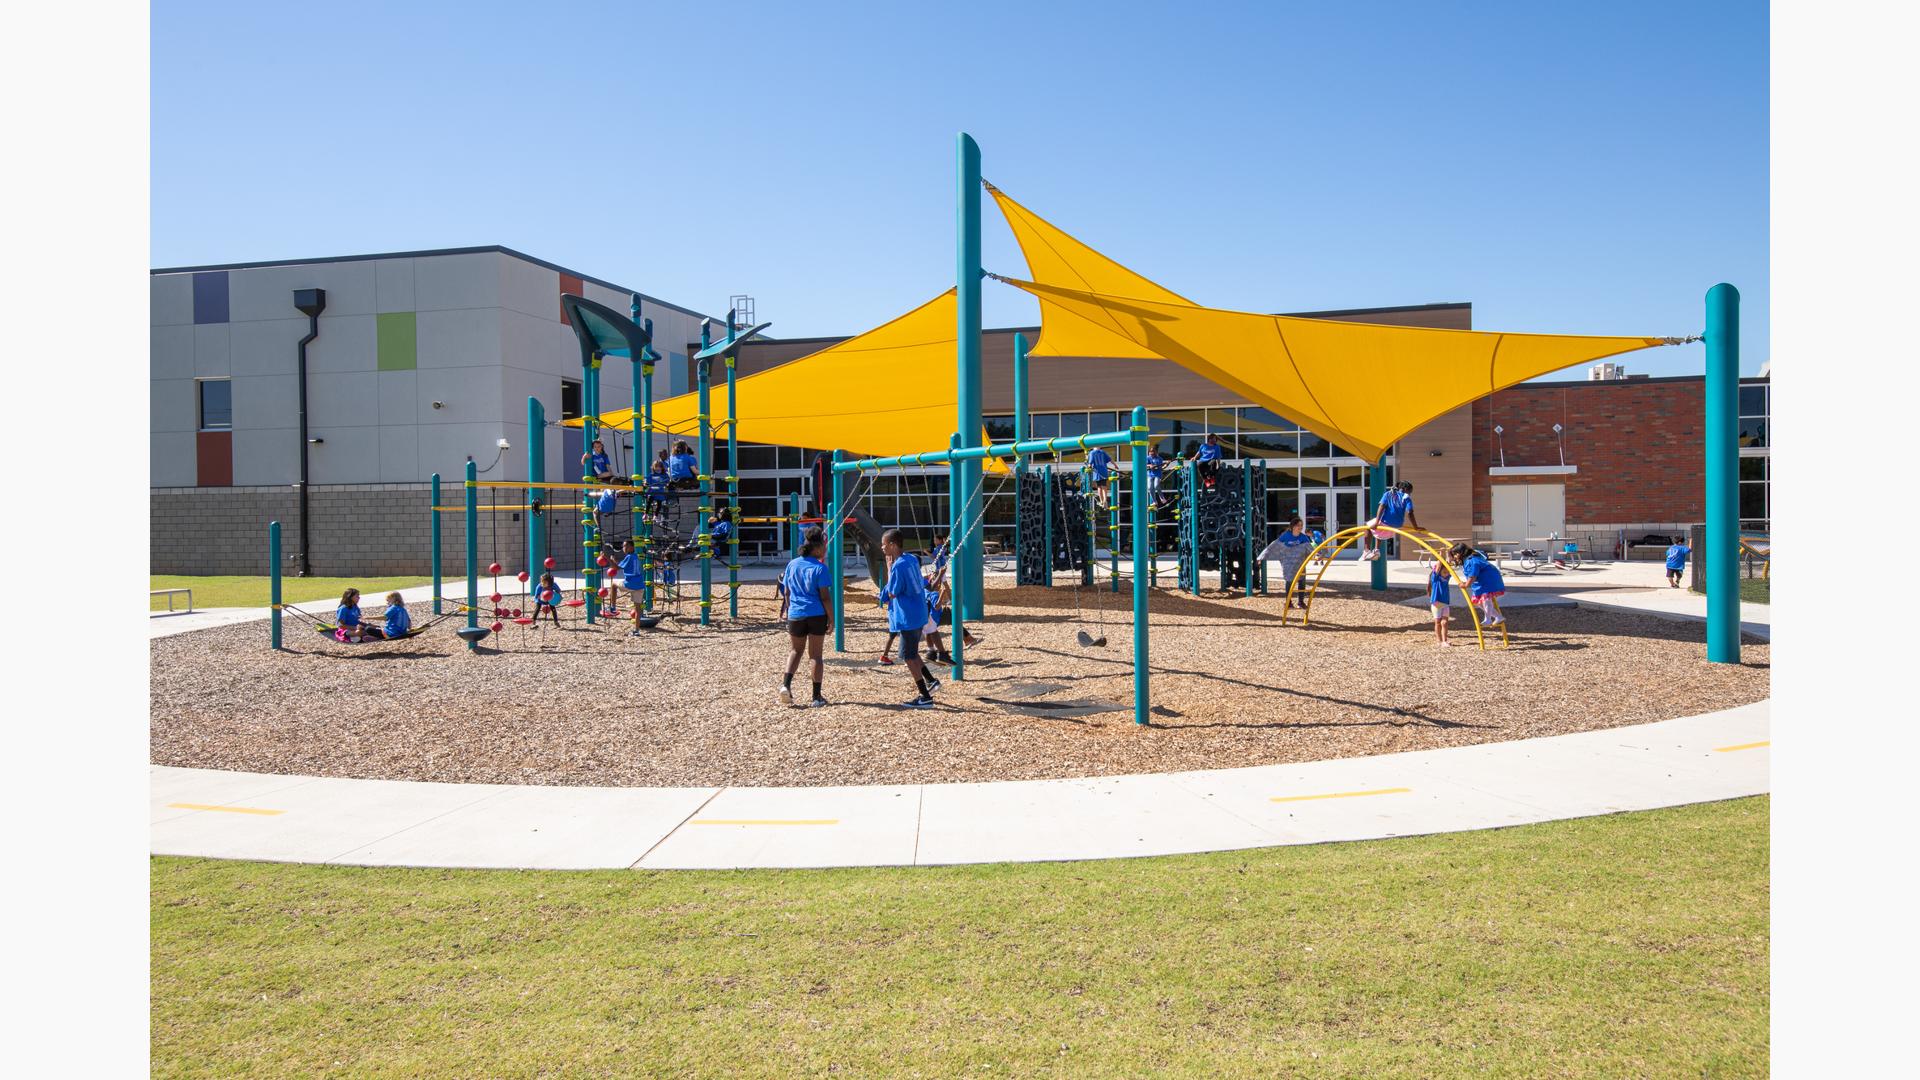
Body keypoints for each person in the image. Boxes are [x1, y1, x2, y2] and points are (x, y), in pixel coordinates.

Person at [877, 528, 937, 708]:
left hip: (907, 617)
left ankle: (925, 697)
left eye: (884, 544)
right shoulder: (911, 559)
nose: (882, 547)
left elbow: (893, 592)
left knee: (908, 656)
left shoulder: (897, 566)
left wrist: (889, 570)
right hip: (918, 613)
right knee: (913, 652)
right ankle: (930, 681)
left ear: (893, 545)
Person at [779, 528, 834, 707]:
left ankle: (786, 685)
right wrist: (832, 618)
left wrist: (789, 608)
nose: (826, 550)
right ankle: (816, 697)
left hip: (796, 614)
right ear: (817, 548)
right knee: (816, 655)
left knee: (795, 651)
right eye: (824, 547)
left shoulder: (792, 564)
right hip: (816, 613)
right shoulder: (820, 568)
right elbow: (825, 596)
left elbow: (786, 591)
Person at [1259, 516, 1316, 607]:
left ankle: (1301, 602)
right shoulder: (1286, 535)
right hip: (1288, 563)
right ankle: (1288, 602)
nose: (1300, 527)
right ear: (1293, 526)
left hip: (1300, 563)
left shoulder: (1303, 537)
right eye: (1298, 525)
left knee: (1302, 581)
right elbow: (1274, 546)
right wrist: (1261, 557)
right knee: (1289, 581)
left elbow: (1310, 549)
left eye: (1301, 525)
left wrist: (1317, 555)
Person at [1451, 541, 1507, 627]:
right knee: (1478, 601)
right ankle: (1498, 616)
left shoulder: (1472, 560)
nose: (1454, 557)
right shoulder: (1468, 560)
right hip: (1481, 583)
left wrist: (1466, 585)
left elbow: (1473, 575)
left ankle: (1488, 620)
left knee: (1486, 598)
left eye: (1455, 554)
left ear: (1461, 553)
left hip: (1489, 580)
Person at [1360, 480, 1419, 561]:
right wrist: (1415, 527)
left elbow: (1381, 507)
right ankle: (1376, 550)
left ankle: (1366, 551)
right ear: (1404, 489)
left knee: (1367, 526)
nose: (1410, 494)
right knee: (1379, 529)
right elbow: (1410, 512)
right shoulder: (1406, 497)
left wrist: (1376, 522)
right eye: (1410, 491)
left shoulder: (1388, 494)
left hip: (1386, 522)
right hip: (1397, 525)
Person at [613, 539, 643, 626]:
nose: (624, 548)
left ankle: (613, 608)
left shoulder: (629, 557)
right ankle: (637, 631)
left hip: (630, 584)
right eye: (623, 546)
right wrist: (615, 561)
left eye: (626, 546)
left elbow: (616, 568)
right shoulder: (635, 556)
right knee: (638, 609)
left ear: (632, 547)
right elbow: (620, 565)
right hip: (640, 585)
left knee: (613, 584)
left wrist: (609, 558)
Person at [1428, 560, 1454, 646]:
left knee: (1445, 622)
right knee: (1438, 622)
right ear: (1439, 572)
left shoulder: (1447, 579)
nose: (1446, 573)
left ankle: (1445, 640)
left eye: (1447, 572)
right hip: (1436, 603)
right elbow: (1438, 567)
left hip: (1445, 603)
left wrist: (1448, 556)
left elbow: (1449, 565)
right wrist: (1440, 555)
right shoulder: (1436, 579)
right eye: (1444, 572)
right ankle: (1439, 640)